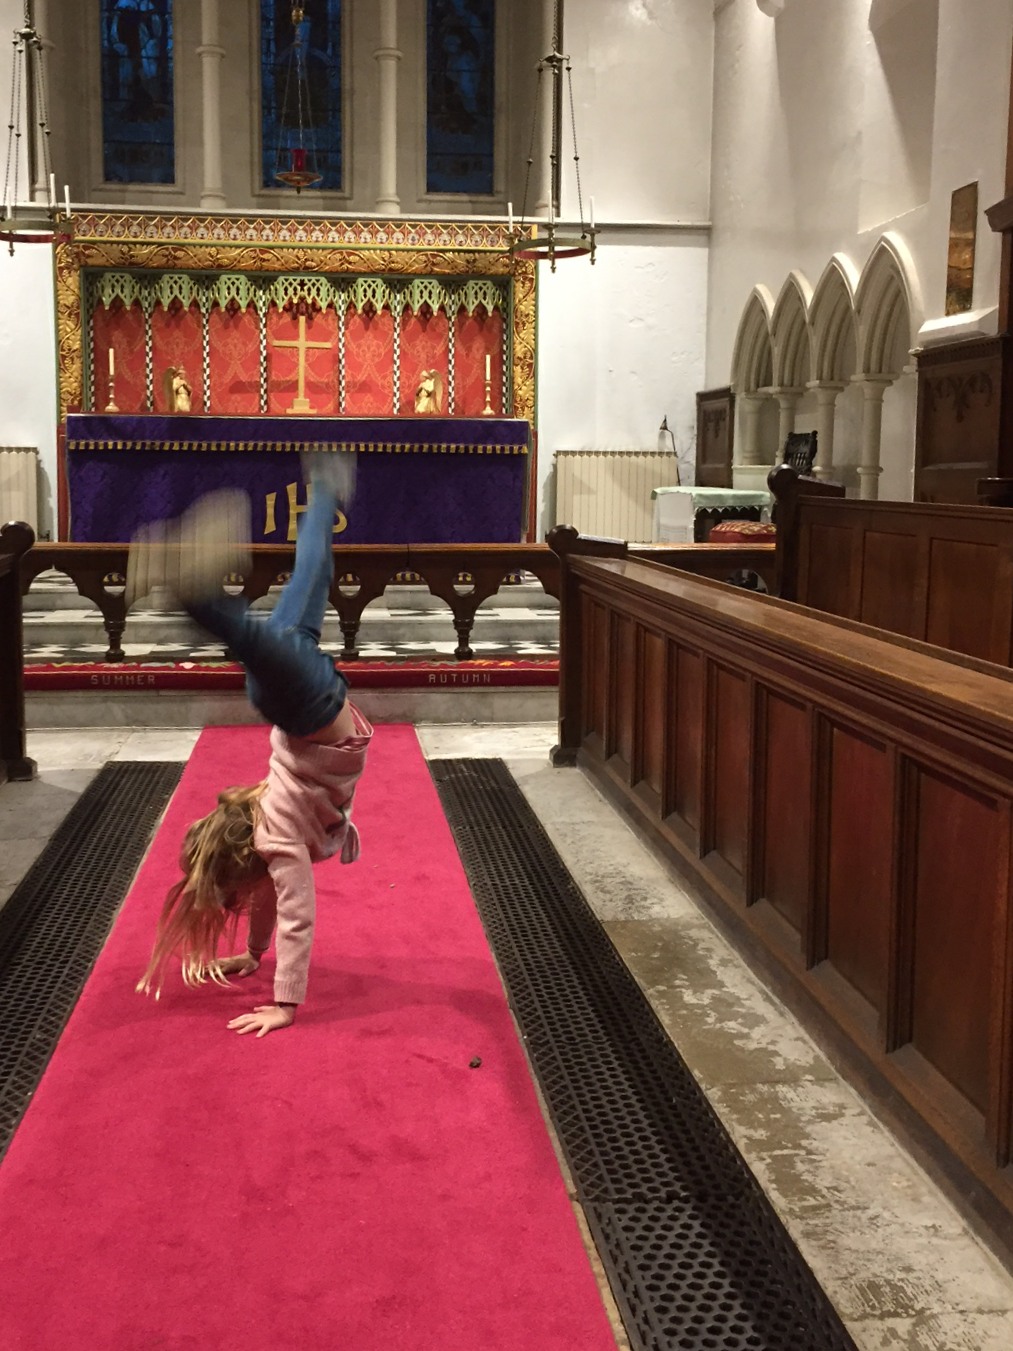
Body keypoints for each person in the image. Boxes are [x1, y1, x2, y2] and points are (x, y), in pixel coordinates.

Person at [132, 454, 372, 1036]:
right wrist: (254, 957)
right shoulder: (265, 843)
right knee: (310, 575)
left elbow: (296, 914)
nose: (240, 909)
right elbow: (269, 904)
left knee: (250, 639)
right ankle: (322, 490)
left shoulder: (278, 840)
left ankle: (190, 591)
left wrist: (285, 1002)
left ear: (244, 864)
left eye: (233, 900)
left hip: (307, 706)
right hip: (301, 704)